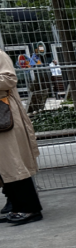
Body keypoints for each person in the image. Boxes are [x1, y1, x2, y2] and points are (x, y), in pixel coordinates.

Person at [0, 51, 43, 225]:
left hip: (5, 115)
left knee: (13, 162)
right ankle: (15, 205)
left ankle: (29, 209)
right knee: (5, 165)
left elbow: (9, 80)